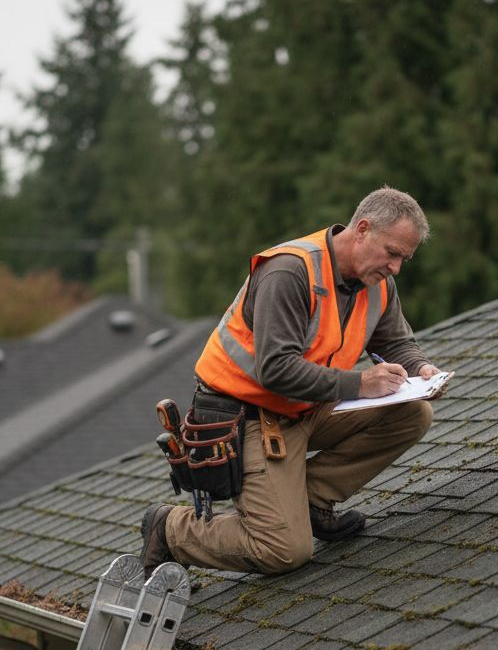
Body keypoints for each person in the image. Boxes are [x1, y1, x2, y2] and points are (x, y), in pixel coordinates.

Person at [141, 186, 442, 577]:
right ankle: (169, 528)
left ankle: (312, 501)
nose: (397, 267)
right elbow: (276, 370)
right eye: (393, 253)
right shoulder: (290, 271)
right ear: (363, 229)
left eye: (405, 258)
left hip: (307, 407)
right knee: (284, 551)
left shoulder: (378, 284)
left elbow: (397, 341)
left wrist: (422, 370)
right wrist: (359, 385)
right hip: (246, 418)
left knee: (414, 412)